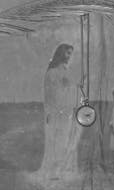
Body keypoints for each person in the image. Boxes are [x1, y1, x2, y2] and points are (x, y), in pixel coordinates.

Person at [39, 44, 81, 181]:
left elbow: (70, 89)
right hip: (56, 111)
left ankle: (62, 169)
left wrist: (75, 86)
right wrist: (68, 87)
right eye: (68, 53)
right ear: (62, 54)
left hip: (66, 111)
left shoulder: (65, 71)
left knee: (64, 140)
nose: (69, 57)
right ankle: (53, 171)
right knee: (56, 141)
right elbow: (52, 94)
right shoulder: (53, 72)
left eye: (71, 54)